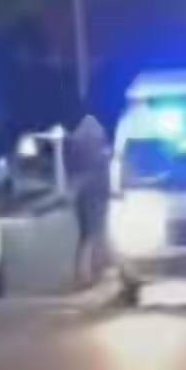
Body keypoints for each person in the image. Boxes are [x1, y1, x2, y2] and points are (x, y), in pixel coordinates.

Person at [68, 110, 111, 287]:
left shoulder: (75, 143)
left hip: (82, 191)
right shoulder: (99, 156)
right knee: (95, 234)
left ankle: (82, 274)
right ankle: (92, 273)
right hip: (95, 193)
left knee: (85, 236)